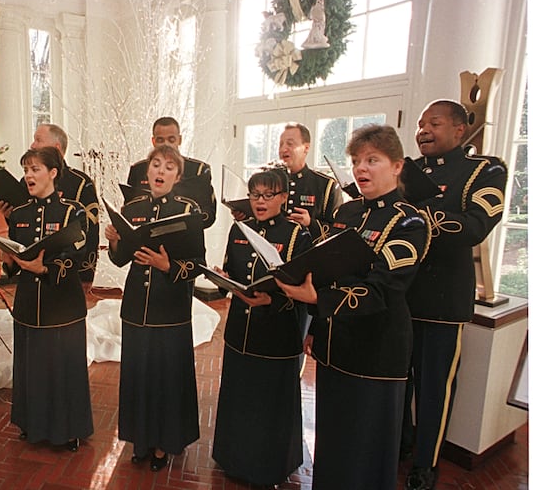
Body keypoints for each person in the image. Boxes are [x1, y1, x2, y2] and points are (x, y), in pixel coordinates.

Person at [277, 124, 430, 490]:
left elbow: (384, 289)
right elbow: (327, 273)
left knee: (366, 449)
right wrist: (316, 327)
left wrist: (319, 300)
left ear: (397, 166)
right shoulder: (346, 214)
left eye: (372, 160)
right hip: (335, 346)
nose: (361, 168)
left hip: (377, 352)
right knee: (333, 441)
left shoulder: (409, 221)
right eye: (357, 160)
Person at [402, 100, 507, 490]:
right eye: (420, 124)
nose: (423, 130)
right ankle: (401, 444)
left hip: (442, 302)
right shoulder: (408, 170)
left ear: (460, 130)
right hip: (402, 295)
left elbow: (476, 226)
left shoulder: (485, 170)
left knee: (434, 389)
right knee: (400, 381)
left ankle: (426, 465)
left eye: (434, 123)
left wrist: (417, 219)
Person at [105, 144, 205, 472]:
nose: (161, 171)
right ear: (147, 171)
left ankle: (165, 443)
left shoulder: (188, 210)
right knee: (138, 376)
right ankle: (141, 440)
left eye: (169, 167)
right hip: (136, 307)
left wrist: (167, 266)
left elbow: (198, 264)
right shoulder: (132, 207)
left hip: (171, 310)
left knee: (166, 379)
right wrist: (115, 240)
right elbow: (120, 259)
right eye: (156, 165)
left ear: (178, 176)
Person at [211, 164, 312, 486]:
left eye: (268, 195)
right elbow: (232, 270)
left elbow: (303, 292)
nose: (260, 201)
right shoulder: (238, 229)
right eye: (255, 194)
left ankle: (269, 467)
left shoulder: (297, 235)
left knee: (269, 402)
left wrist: (272, 301)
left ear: (283, 197)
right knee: (239, 396)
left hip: (277, 334)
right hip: (240, 330)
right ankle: (233, 459)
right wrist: (223, 279)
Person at [2, 146, 93, 452]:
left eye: (35, 169)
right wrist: (6, 255)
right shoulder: (19, 214)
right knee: (32, 368)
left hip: (63, 305)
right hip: (28, 303)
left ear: (53, 173)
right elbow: (14, 262)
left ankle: (69, 430)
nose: (28, 175)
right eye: (26, 170)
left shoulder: (72, 212)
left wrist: (45, 268)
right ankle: (33, 424)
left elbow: (78, 256)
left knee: (63, 368)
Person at [0, 123, 100, 284]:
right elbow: (22, 230)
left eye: (38, 140)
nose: (32, 145)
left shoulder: (80, 183)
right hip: (28, 279)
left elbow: (88, 233)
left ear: (56, 148)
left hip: (65, 277)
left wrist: (84, 273)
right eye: (26, 170)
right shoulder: (25, 182)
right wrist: (10, 216)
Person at [126, 116, 217, 228]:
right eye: (160, 140)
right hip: (143, 234)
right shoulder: (138, 169)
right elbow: (129, 209)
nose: (166, 144)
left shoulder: (197, 170)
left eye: (171, 140)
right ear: (153, 141)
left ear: (180, 140)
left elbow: (208, 214)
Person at [278, 122, 343, 244]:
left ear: (306, 148)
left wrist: (310, 223)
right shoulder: (270, 183)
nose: (283, 149)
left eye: (290, 144)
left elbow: (338, 231)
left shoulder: (326, 185)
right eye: (281, 144)